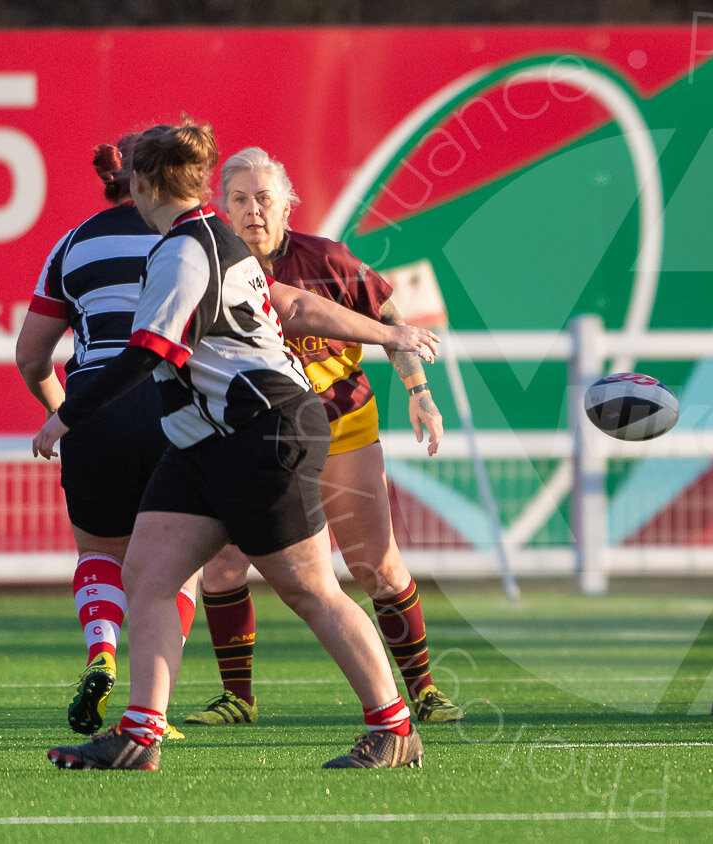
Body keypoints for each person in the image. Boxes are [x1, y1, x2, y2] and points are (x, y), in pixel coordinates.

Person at [38, 119, 440, 770]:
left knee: (310, 589)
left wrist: (67, 415)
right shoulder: (212, 240)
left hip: (264, 432)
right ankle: (141, 734)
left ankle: (394, 728)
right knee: (147, 575)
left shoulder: (184, 250)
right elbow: (293, 304)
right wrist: (388, 334)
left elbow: (146, 352)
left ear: (141, 184)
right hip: (208, 439)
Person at [180, 147, 460, 729]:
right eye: (239, 198)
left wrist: (419, 391)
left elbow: (389, 318)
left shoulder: (325, 258)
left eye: (264, 198)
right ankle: (238, 698)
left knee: (375, 564)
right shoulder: (204, 263)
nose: (253, 210)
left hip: (339, 423)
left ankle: (424, 691)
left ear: (287, 205)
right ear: (221, 207)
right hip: (249, 433)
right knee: (226, 563)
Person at [15, 136, 199, 739]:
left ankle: (101, 649)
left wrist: (67, 412)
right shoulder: (194, 235)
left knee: (99, 555)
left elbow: (31, 355)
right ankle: (154, 709)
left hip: (94, 413)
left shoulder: (71, 245)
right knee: (176, 571)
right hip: (175, 409)